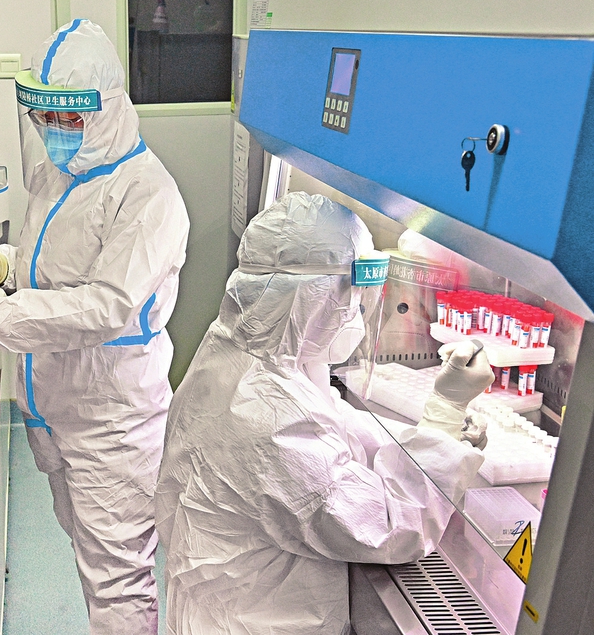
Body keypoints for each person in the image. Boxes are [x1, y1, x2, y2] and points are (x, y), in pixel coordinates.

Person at [0, 19, 190, 634]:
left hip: (112, 423)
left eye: (70, 117)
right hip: (54, 406)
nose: (55, 130)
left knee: (118, 580)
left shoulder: (149, 196)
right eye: (45, 116)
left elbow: (105, 305)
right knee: (85, 549)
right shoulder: (56, 171)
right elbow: (58, 264)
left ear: (108, 108)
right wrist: (2, 263)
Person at [154, 192, 493, 635]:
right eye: (351, 300)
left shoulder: (243, 351)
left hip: (221, 606)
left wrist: (436, 437)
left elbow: (331, 425)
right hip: (254, 623)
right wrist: (445, 412)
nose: (355, 315)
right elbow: (391, 527)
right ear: (314, 300)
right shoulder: (271, 420)